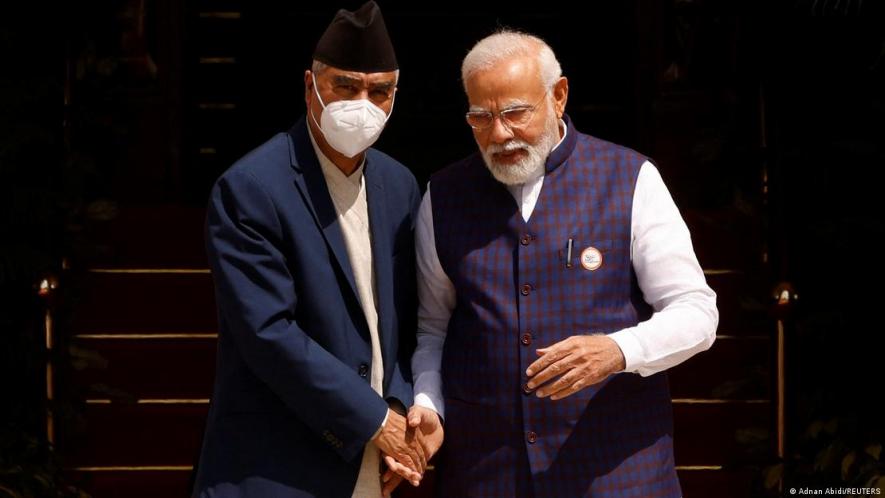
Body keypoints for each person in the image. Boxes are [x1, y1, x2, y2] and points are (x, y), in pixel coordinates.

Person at [409, 30, 719, 497]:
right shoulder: (444, 195)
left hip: (615, 471)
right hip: (486, 474)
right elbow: (433, 328)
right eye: (480, 117)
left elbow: (696, 311)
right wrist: (428, 403)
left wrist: (618, 350)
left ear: (558, 96)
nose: (499, 134)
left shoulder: (629, 178)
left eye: (515, 112)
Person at [192, 3, 440, 497]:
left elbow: (401, 320)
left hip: (374, 462)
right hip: (276, 467)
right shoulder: (252, 188)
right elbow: (269, 334)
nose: (362, 103)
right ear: (311, 86)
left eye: (379, 91)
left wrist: (400, 405)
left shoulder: (399, 184)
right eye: (345, 86)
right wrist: (374, 420)